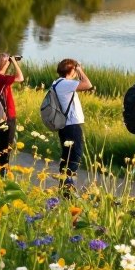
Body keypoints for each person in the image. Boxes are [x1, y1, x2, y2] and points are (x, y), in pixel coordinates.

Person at [50, 58, 94, 194]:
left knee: (67, 157)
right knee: (74, 157)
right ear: (71, 70)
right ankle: (69, 190)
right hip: (72, 126)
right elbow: (88, 85)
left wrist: (77, 69)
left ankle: (64, 188)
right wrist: (79, 69)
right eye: (75, 69)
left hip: (65, 125)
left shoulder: (57, 83)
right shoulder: (66, 83)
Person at [0, 53, 25, 177]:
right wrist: (14, 62)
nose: (7, 60)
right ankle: (3, 169)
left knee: (3, 142)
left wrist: (9, 62)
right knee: (7, 143)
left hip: (1, 114)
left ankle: (0, 166)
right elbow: (20, 78)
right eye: (4, 59)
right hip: (7, 115)